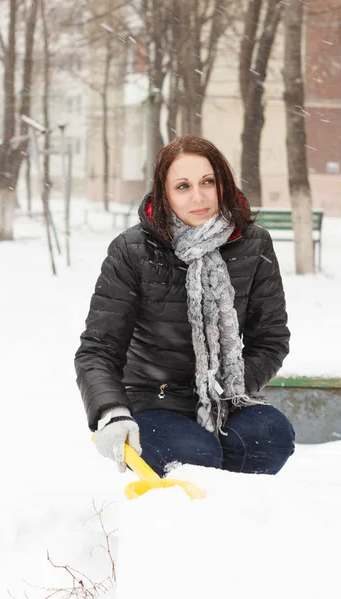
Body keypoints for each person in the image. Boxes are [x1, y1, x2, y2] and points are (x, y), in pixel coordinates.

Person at [75, 134, 295, 477]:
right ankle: (178, 518)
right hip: (151, 398)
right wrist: (112, 411)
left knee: (268, 437)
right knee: (193, 457)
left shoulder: (254, 243)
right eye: (183, 186)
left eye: (208, 181)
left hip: (226, 397)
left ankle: (239, 518)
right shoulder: (132, 250)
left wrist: (229, 385)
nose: (199, 196)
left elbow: (271, 338)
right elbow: (97, 349)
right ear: (165, 194)